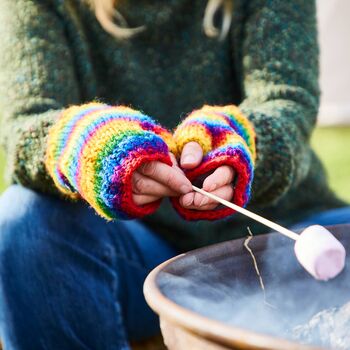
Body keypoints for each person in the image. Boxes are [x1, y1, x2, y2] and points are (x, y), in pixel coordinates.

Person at [0, 0, 348, 349]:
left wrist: (239, 140)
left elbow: (288, 101)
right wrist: (87, 145)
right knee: (23, 223)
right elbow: (26, 124)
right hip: (141, 255)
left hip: (286, 229)